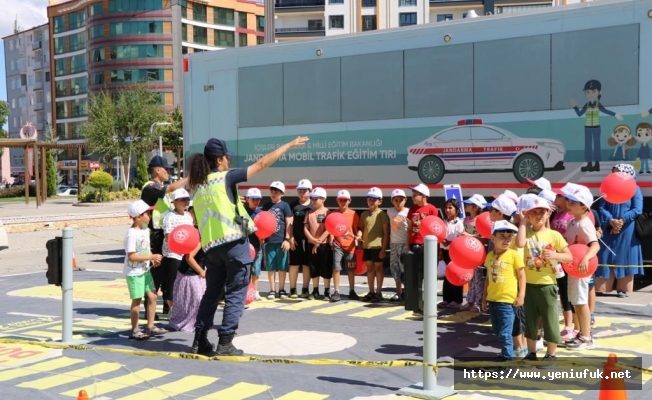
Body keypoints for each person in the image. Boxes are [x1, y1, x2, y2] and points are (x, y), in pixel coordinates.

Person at [187, 136, 308, 356]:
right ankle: (225, 342)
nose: (229, 161)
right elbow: (261, 164)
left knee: (211, 294)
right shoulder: (225, 178)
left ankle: (199, 340)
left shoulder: (199, 186)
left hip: (212, 247)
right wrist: (288, 145)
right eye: (227, 157)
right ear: (220, 159)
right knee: (235, 292)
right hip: (234, 243)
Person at [516, 195, 572, 364]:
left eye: (543, 212)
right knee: (531, 320)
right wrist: (523, 223)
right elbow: (519, 244)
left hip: (547, 284)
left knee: (550, 319)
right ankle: (531, 352)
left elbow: (569, 257)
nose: (539, 215)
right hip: (529, 284)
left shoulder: (554, 235)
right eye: (534, 212)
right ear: (528, 215)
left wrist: (555, 255)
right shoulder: (526, 233)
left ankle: (551, 354)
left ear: (548, 214)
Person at [141, 155, 189, 318]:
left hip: (165, 236)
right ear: (157, 170)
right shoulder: (150, 187)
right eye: (166, 169)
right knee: (155, 275)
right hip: (155, 236)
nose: (169, 172)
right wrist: (190, 177)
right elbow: (170, 189)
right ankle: (150, 312)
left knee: (169, 274)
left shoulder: (162, 188)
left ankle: (167, 308)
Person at [595, 163, 644, 298]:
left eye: (617, 172)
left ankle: (623, 288)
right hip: (608, 226)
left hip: (627, 228)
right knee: (605, 254)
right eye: (613, 172)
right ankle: (602, 287)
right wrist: (611, 221)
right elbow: (602, 207)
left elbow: (637, 209)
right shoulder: (608, 187)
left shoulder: (635, 189)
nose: (613, 174)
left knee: (625, 255)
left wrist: (622, 220)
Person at [560, 184, 600, 349]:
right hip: (573, 268)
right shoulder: (572, 222)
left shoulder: (584, 223)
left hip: (581, 269)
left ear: (584, 206)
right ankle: (579, 331)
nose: (569, 204)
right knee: (575, 301)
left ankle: (586, 336)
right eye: (569, 201)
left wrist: (585, 259)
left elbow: (595, 245)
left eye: (573, 202)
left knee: (581, 302)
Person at [481, 220, 526, 364]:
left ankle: (508, 360)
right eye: (502, 236)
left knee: (505, 333)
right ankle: (506, 354)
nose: (506, 240)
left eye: (509, 237)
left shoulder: (513, 255)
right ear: (492, 238)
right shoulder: (490, 256)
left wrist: (521, 295)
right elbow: (488, 278)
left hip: (507, 301)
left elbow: (522, 275)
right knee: (497, 330)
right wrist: (484, 298)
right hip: (493, 300)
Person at [123, 200, 167, 340]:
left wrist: (151, 259)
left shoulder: (145, 230)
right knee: (137, 300)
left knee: (153, 296)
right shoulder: (131, 233)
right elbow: (131, 256)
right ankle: (135, 329)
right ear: (138, 217)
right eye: (147, 213)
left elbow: (145, 250)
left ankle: (150, 326)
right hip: (134, 272)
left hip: (145, 270)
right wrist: (151, 256)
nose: (150, 215)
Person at [169, 202, 207, 332]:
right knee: (196, 302)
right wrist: (201, 271)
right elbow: (189, 257)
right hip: (190, 275)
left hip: (190, 274)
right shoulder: (199, 234)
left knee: (192, 303)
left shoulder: (198, 231)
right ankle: (189, 323)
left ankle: (190, 322)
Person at [550, 183, 578, 341]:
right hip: (555, 259)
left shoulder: (573, 216)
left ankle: (575, 325)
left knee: (570, 293)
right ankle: (568, 324)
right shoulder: (555, 214)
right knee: (561, 292)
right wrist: (548, 215)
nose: (555, 198)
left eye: (558, 196)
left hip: (569, 258)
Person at [161, 188, 193, 312]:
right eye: (183, 200)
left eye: (187, 199)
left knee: (183, 284)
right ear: (175, 202)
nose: (186, 202)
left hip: (186, 255)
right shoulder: (170, 217)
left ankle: (182, 309)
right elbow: (168, 237)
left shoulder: (188, 216)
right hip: (173, 255)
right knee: (172, 285)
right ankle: (173, 311)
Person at [356, 187, 390, 302]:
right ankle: (371, 291)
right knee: (369, 269)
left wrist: (383, 249)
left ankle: (379, 292)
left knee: (378, 269)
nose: (371, 201)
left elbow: (386, 233)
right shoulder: (364, 214)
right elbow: (361, 228)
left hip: (378, 246)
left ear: (380, 201)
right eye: (369, 199)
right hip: (367, 246)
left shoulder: (382, 214)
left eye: (374, 199)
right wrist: (359, 235)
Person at [262, 181, 293, 300]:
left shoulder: (284, 206)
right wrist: (262, 236)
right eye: (272, 191)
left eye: (277, 191)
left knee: (282, 266)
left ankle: (281, 289)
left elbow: (289, 223)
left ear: (282, 193)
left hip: (281, 240)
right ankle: (272, 290)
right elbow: (263, 222)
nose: (274, 193)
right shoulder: (266, 206)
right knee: (270, 266)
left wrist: (287, 239)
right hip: (269, 241)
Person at [304, 187, 332, 300]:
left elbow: (329, 228)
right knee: (314, 267)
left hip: (323, 244)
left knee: (325, 267)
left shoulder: (327, 212)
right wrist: (312, 240)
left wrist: (318, 242)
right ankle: (315, 290)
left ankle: (326, 291)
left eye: (316, 198)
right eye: (312, 198)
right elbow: (305, 228)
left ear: (323, 199)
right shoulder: (309, 213)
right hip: (312, 243)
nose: (314, 201)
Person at [461, 194, 487, 312]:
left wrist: (469, 236)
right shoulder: (465, 220)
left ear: (476, 207)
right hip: (467, 254)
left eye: (469, 204)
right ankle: (470, 300)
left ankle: (478, 302)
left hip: (478, 253)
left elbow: (484, 238)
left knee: (478, 278)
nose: (466, 205)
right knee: (470, 278)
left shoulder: (481, 220)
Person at [332, 189, 360, 300]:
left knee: (350, 269)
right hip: (338, 244)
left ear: (349, 201)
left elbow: (358, 229)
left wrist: (358, 236)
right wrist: (331, 238)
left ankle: (352, 290)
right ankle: (336, 291)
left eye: (345, 200)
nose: (343, 202)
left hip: (350, 245)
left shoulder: (353, 214)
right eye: (340, 200)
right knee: (336, 267)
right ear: (337, 201)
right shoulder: (334, 214)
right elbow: (330, 228)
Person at [288, 179, 314, 299]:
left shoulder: (313, 205)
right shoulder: (292, 206)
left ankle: (305, 289)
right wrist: (291, 238)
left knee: (306, 265)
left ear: (310, 191)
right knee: (294, 264)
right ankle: (292, 289)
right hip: (296, 240)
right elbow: (290, 224)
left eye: (304, 190)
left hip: (309, 241)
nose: (302, 193)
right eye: (300, 190)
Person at [439, 198, 465, 308]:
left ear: (456, 209)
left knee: (455, 275)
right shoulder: (444, 222)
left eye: (450, 208)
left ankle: (457, 299)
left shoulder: (459, 223)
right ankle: (446, 298)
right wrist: (440, 250)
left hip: (454, 252)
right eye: (446, 208)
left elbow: (459, 239)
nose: (447, 210)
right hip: (444, 251)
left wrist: (448, 242)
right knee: (447, 275)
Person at [386, 189, 409, 302]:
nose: (399, 202)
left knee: (405, 268)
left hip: (404, 243)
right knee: (395, 268)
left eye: (401, 200)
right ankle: (398, 292)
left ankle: (407, 291)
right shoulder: (389, 212)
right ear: (392, 201)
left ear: (405, 200)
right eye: (396, 200)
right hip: (394, 243)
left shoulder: (408, 212)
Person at [244, 188, 263, 300]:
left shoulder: (261, 213)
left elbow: (266, 228)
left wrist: (264, 237)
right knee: (245, 270)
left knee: (256, 269)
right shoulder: (242, 211)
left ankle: (255, 291)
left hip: (257, 245)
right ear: (247, 199)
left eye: (258, 199)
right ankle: (246, 290)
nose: (256, 201)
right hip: (244, 245)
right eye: (253, 199)